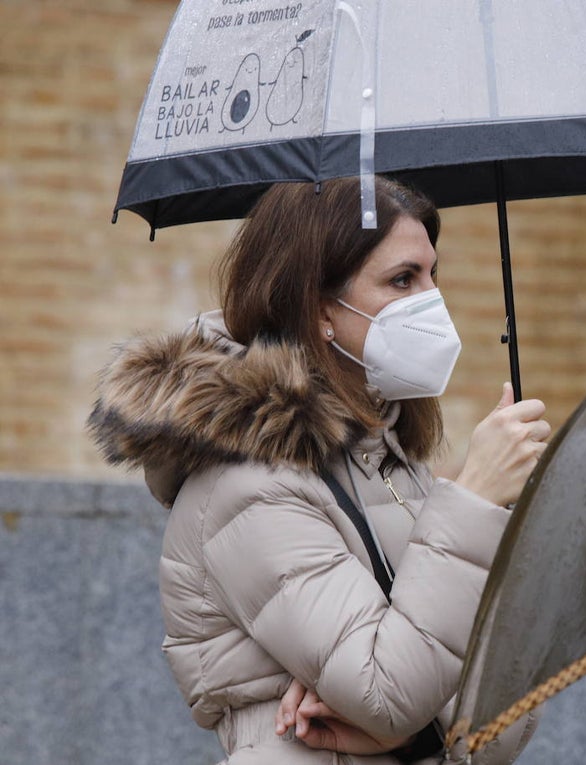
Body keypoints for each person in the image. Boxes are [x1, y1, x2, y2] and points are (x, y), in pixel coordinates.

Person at [87, 176, 549, 764]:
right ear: (321, 308)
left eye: (434, 276)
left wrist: (413, 734)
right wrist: (472, 500)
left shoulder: (388, 461)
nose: (432, 302)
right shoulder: (249, 485)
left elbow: (513, 716)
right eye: (403, 279)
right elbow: (390, 693)